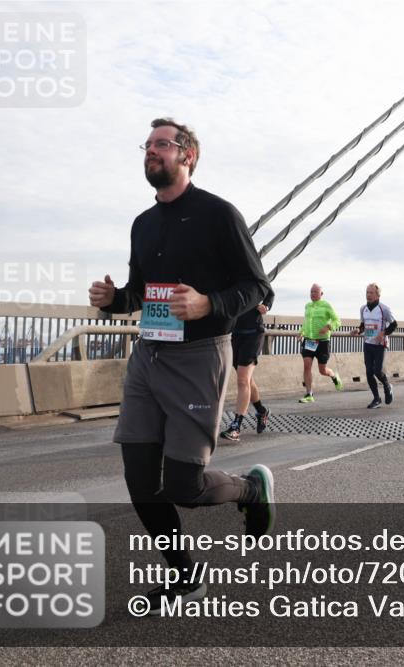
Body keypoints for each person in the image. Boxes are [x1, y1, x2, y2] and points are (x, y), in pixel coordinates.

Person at [89, 118, 274, 611]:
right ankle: (187, 578)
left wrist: (208, 304)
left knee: (183, 486)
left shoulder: (219, 215)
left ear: (187, 156)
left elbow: (258, 288)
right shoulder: (143, 224)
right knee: (139, 480)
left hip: (198, 358)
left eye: (162, 145)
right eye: (147, 145)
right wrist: (114, 299)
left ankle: (251, 489)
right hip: (147, 357)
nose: (151, 151)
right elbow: (139, 292)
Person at [220, 286, 275, 442]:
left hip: (254, 332)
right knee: (247, 380)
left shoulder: (252, 272)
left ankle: (236, 427)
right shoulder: (229, 277)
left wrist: (266, 305)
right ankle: (261, 411)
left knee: (242, 380)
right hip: (235, 333)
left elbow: (269, 291)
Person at [354, 283, 396, 409]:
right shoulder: (363, 309)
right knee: (368, 372)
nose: (368, 295)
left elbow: (394, 325)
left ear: (378, 295)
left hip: (380, 344)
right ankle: (376, 399)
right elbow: (363, 325)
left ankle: (387, 386)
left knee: (377, 371)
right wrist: (357, 330)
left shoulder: (384, 309)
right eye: (367, 292)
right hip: (368, 343)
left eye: (371, 293)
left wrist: (384, 333)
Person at [298, 284, 343, 403]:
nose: (312, 294)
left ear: (321, 294)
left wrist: (328, 327)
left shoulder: (326, 305)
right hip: (309, 341)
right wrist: (301, 332)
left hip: (323, 342)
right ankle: (309, 394)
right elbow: (306, 322)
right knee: (307, 365)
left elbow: (337, 321)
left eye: (315, 292)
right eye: (311, 292)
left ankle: (334, 376)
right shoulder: (307, 306)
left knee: (322, 370)